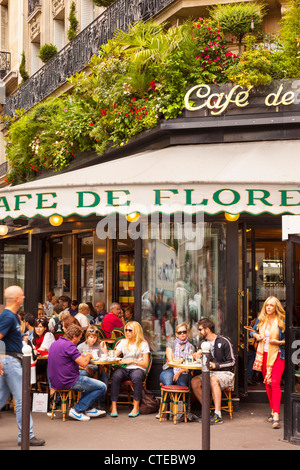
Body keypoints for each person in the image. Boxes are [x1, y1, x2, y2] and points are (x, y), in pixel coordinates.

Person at [0, 285, 45, 446]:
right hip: (11, 362)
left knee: (1, 398)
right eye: (23, 295)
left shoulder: (10, 315)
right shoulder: (8, 316)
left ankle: (27, 434)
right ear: (17, 299)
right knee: (22, 399)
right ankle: (27, 435)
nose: (25, 297)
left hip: (8, 361)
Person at [48, 323, 107, 421]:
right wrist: (88, 355)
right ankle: (77, 410)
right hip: (68, 380)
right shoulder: (69, 346)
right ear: (74, 336)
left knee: (88, 381)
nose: (80, 340)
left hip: (55, 381)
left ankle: (88, 408)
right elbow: (84, 363)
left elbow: (66, 363)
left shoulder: (55, 344)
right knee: (102, 387)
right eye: (79, 337)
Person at [191, 318, 235, 425]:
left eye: (200, 329)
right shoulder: (202, 343)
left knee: (213, 379)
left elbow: (232, 362)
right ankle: (208, 412)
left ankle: (218, 415)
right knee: (194, 381)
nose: (199, 332)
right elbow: (201, 360)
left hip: (225, 373)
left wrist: (216, 365)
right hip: (209, 373)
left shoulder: (224, 341)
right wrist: (196, 357)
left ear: (207, 329)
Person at [250, 296, 285, 429]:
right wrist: (256, 335)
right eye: (267, 305)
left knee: (275, 382)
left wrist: (279, 342)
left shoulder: (282, 320)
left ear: (276, 307)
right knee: (268, 383)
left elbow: (291, 338)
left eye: (271, 305)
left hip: (278, 354)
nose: (269, 307)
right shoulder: (261, 319)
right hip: (263, 354)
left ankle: (276, 415)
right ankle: (273, 409)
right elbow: (252, 331)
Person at [110, 321, 150, 418]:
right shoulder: (123, 342)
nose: (127, 332)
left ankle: (136, 407)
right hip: (125, 368)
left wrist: (132, 361)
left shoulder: (143, 344)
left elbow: (145, 364)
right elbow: (114, 355)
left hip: (138, 368)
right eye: (126, 330)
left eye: (130, 330)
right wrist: (111, 355)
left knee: (136, 377)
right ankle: (113, 406)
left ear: (136, 331)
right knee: (115, 376)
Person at [160, 322, 195, 387]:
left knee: (182, 384)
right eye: (179, 332)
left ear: (187, 333)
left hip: (184, 371)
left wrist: (179, 372)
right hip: (170, 369)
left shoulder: (191, 347)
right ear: (176, 334)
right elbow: (170, 359)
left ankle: (181, 398)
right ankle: (168, 397)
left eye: (184, 332)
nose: (182, 334)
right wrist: (176, 368)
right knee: (168, 382)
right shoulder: (171, 344)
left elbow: (190, 365)